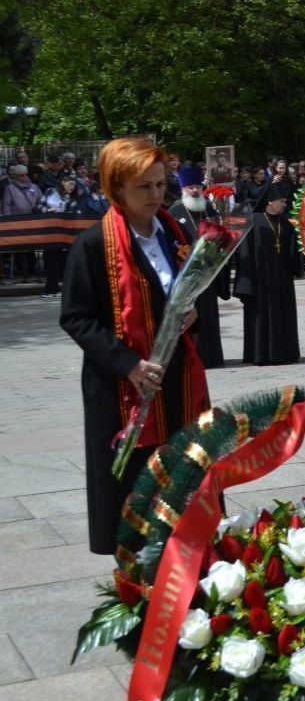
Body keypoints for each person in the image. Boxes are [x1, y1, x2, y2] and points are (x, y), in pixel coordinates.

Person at [59, 138, 209, 555]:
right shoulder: (93, 244)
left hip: (177, 378)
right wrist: (128, 364)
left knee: (183, 477)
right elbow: (76, 317)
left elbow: (187, 294)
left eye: (161, 184)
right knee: (134, 491)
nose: (157, 195)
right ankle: (138, 576)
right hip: (123, 388)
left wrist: (193, 312)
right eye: (144, 187)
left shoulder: (176, 233)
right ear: (116, 188)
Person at [235, 184, 305, 364]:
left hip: (282, 280)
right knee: (261, 316)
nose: (284, 205)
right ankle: (261, 354)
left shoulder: (286, 224)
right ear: (269, 202)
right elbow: (245, 253)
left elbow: (293, 253)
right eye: (281, 201)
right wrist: (246, 282)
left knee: (283, 314)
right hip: (260, 281)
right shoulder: (253, 221)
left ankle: (285, 353)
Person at [168, 167, 230, 367]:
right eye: (190, 187)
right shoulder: (174, 212)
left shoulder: (209, 209)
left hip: (208, 272)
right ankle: (191, 357)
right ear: (183, 189)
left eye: (197, 186)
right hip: (185, 274)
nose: (194, 190)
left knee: (209, 314)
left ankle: (212, 357)